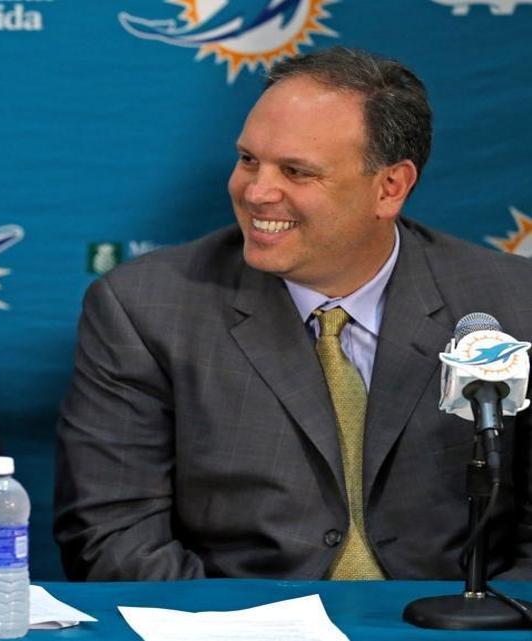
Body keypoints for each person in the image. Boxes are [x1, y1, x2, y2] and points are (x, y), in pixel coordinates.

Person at [54, 47, 532, 581]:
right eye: (248, 160)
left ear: (390, 187)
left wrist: (491, 618)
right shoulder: (145, 309)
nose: (257, 192)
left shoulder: (514, 303)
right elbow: (114, 538)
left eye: (297, 171)